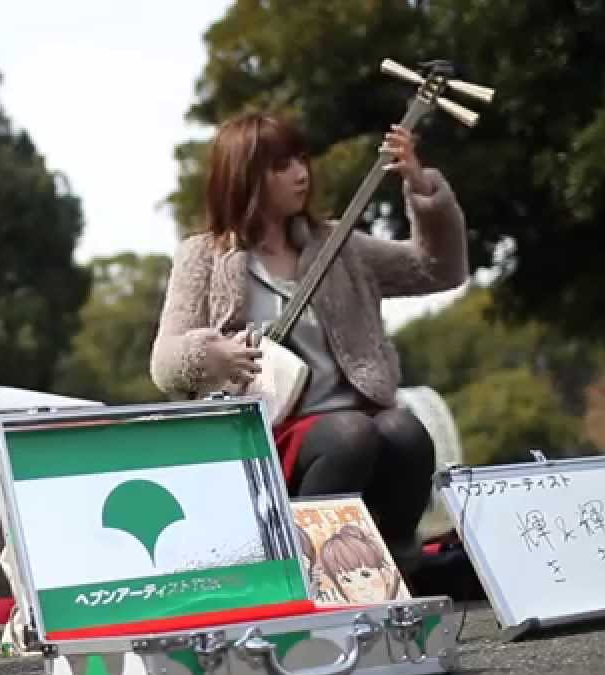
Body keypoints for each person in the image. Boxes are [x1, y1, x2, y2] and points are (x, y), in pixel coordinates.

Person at [149, 111, 468, 570]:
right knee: (349, 433)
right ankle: (310, 565)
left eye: (302, 159)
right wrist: (211, 353)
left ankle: (400, 561)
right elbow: (165, 362)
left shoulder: (338, 246)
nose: (302, 173)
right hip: (272, 433)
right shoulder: (204, 255)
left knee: (406, 429)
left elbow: (437, 270)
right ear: (246, 177)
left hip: (359, 418)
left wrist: (422, 191)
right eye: (282, 166)